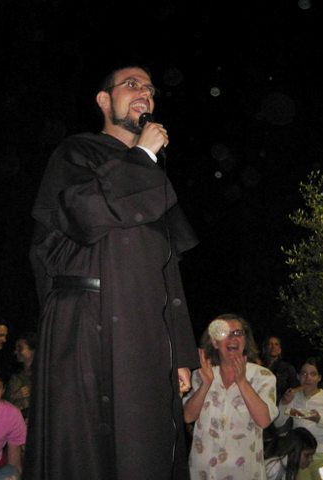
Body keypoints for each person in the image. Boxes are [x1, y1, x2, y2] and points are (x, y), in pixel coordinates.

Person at [25, 63, 199, 480]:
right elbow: (83, 214)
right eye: (132, 85)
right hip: (84, 323)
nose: (145, 93)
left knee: (143, 448)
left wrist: (180, 354)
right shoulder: (76, 153)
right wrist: (142, 156)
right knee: (84, 450)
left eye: (150, 89)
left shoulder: (151, 174)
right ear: (104, 100)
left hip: (142, 331)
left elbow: (166, 268)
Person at [183, 313, 278, 479]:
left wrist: (242, 382)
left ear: (245, 341)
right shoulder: (201, 374)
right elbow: (188, 416)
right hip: (203, 471)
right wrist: (205, 385)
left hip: (243, 472)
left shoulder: (263, 376)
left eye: (238, 333)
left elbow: (264, 420)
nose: (233, 338)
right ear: (215, 342)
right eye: (225, 333)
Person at [274, 357, 323, 480]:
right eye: (304, 374)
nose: (308, 378)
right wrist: (284, 403)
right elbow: (278, 423)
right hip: (300, 456)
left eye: (313, 374)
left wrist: (319, 420)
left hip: (322, 455)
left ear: (319, 378)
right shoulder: (293, 396)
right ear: (298, 376)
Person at [5, 332, 36, 421]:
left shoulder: (42, 376)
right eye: (16, 348)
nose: (15, 352)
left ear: (32, 350)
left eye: (20, 348)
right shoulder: (14, 375)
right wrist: (14, 396)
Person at [262, 336, 300, 404]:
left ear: (280, 350)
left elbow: (296, 388)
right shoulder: (259, 368)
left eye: (276, 344)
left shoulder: (287, 368)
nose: (273, 347)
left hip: (281, 406)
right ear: (265, 349)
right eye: (270, 344)